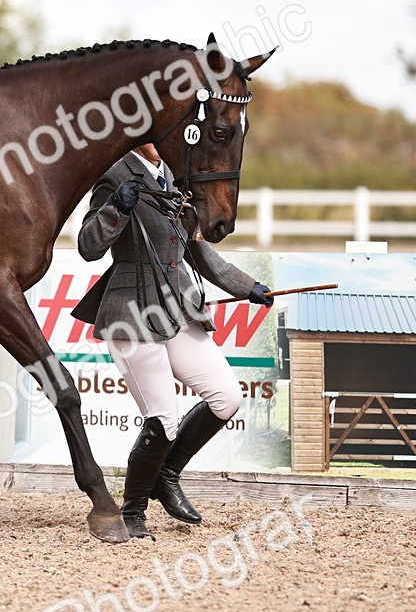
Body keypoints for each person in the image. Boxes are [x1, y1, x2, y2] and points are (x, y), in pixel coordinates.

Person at [71, 143, 273, 540]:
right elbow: (88, 246)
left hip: (177, 308)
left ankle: (166, 474)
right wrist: (116, 207)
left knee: (227, 397)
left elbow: (198, 253)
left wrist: (247, 286)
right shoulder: (113, 175)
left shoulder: (177, 181)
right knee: (164, 418)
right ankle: (132, 511)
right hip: (131, 312)